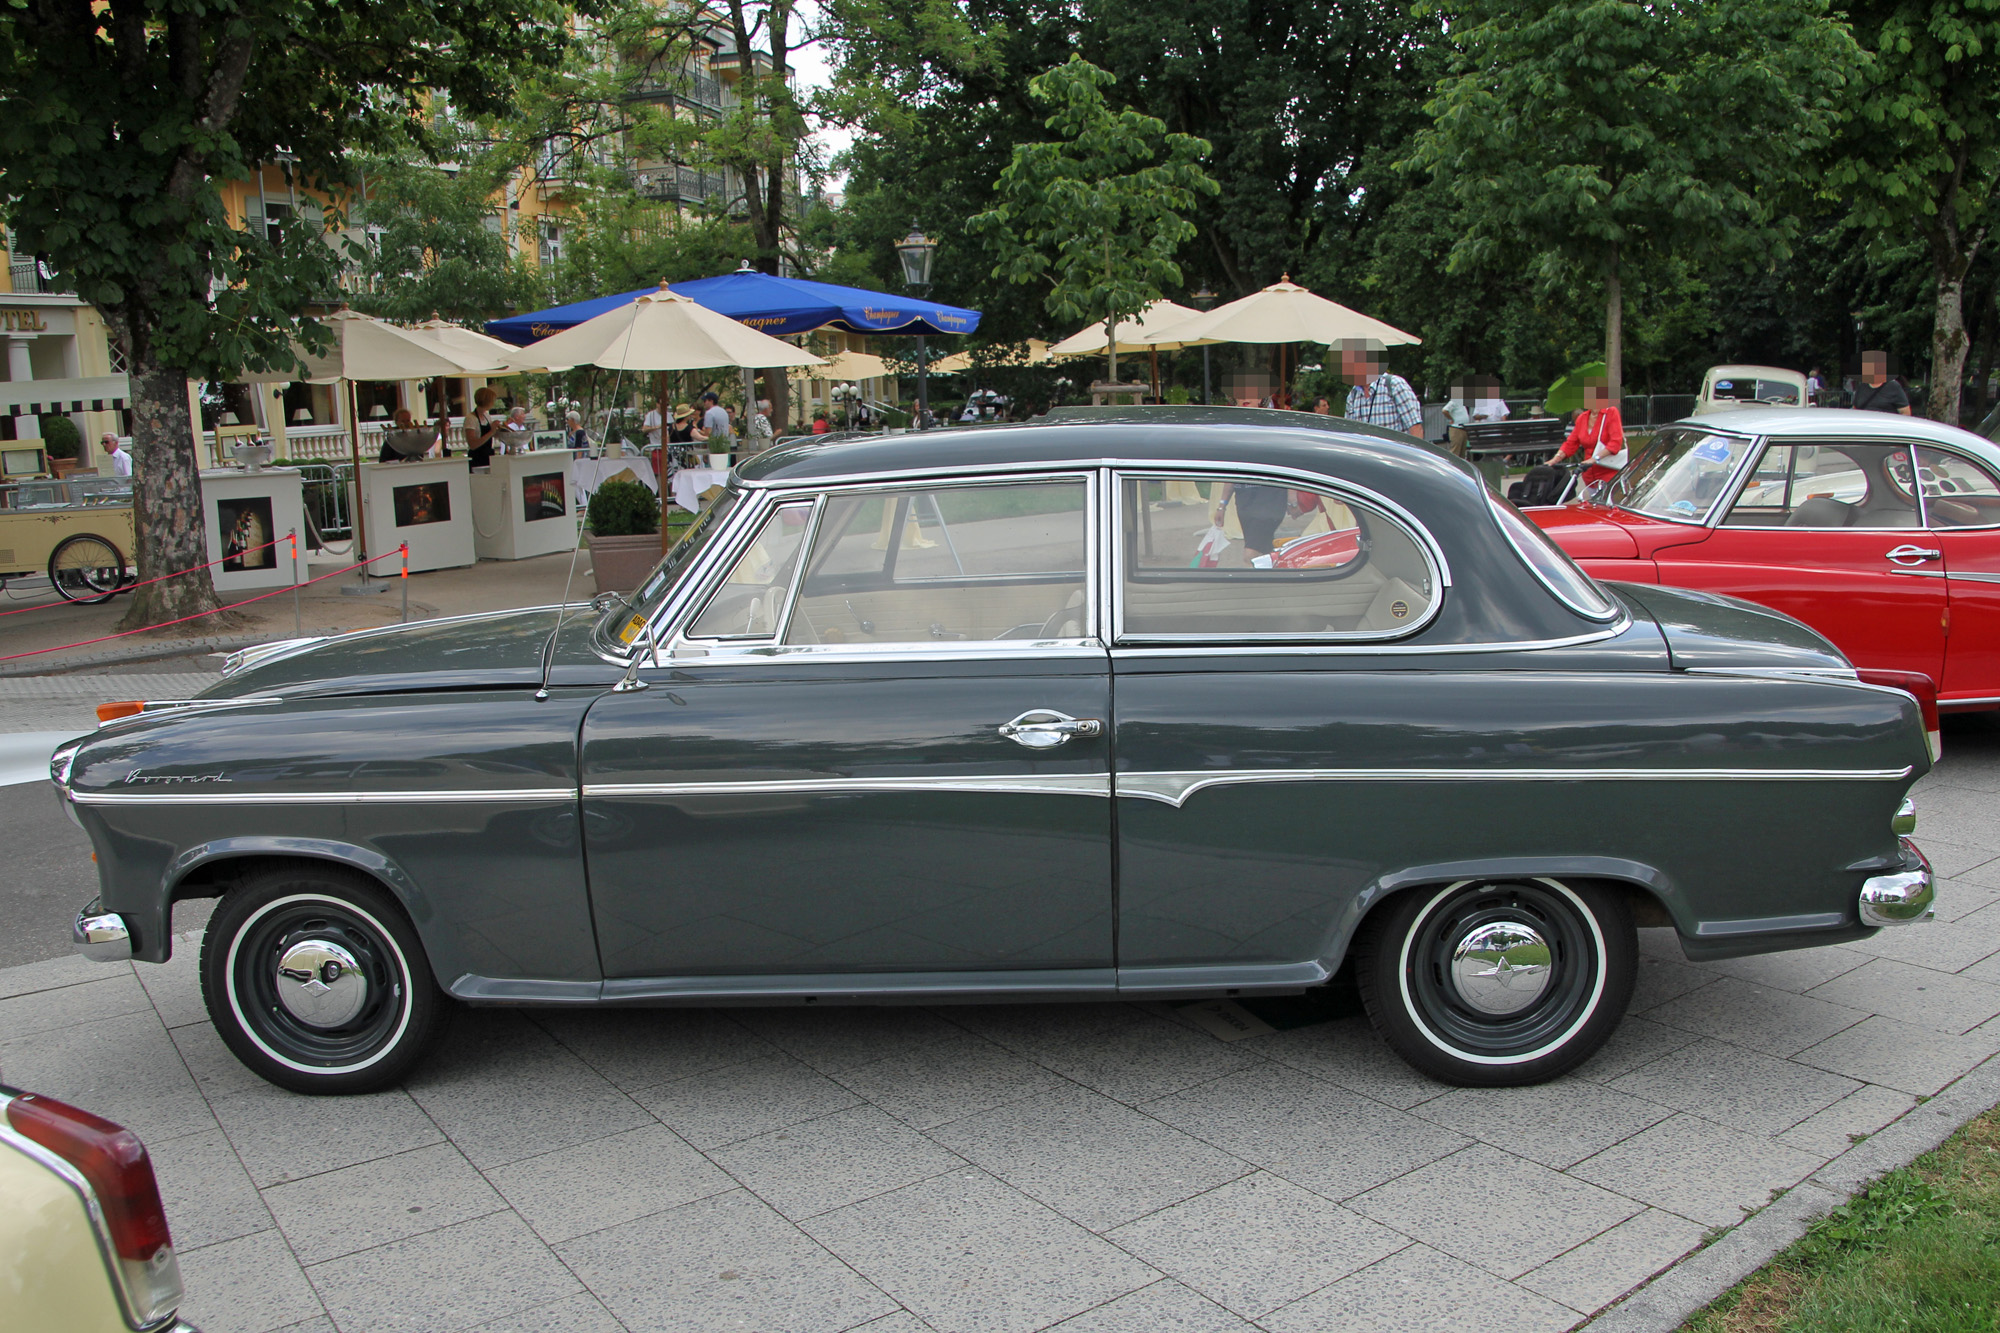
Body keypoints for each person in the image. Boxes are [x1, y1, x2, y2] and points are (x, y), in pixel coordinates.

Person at [1551, 378, 1627, 500]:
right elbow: (1571, 443)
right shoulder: (1582, 418)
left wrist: (1594, 459)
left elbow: (1615, 443)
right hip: (1589, 473)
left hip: (1608, 470)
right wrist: (1554, 460)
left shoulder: (1610, 413)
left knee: (1605, 505)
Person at [1339, 339, 1423, 436]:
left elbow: (1415, 428)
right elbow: (1350, 434)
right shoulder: (1353, 396)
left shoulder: (1394, 385)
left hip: (1394, 450)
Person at [1210, 480, 1292, 564]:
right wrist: (1222, 506)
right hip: (1244, 499)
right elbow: (1231, 476)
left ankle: (1256, 575)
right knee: (1263, 550)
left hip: (1269, 495)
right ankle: (1271, 573)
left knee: (1251, 553)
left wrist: (1292, 498)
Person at [464, 386, 501, 467]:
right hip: (477, 458)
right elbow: (472, 444)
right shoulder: (470, 418)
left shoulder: (486, 416)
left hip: (489, 455)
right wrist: (491, 432)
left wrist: (502, 427)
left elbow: (493, 434)